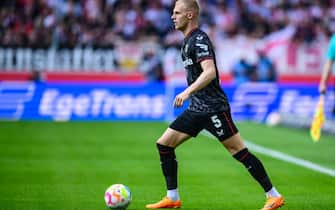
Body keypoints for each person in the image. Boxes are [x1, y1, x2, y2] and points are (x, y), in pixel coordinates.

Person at [145, 1, 284, 210]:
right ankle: (172, 198)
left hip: (214, 108)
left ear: (190, 15)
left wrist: (186, 92)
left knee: (238, 151)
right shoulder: (185, 42)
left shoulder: (199, 39)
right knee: (164, 144)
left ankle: (273, 196)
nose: (172, 16)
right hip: (197, 108)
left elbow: (209, 72)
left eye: (177, 13)